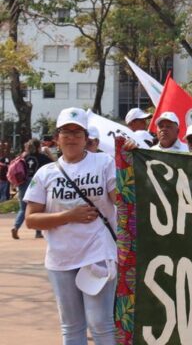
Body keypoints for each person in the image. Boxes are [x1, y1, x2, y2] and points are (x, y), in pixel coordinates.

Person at [24, 107, 116, 345]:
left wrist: (130, 158)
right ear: (57, 138)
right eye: (66, 132)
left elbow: (122, 201)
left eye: (78, 132)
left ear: (87, 138)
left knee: (100, 323)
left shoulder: (104, 162)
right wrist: (69, 215)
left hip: (97, 253)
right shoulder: (46, 173)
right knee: (71, 326)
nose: (72, 137)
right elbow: (31, 219)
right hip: (61, 258)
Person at [11, 139, 52, 239]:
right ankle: (38, 232)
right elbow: (54, 164)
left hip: (23, 182)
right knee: (38, 206)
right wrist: (48, 153)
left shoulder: (23, 157)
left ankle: (15, 227)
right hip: (35, 182)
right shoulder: (42, 157)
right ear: (38, 147)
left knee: (23, 208)